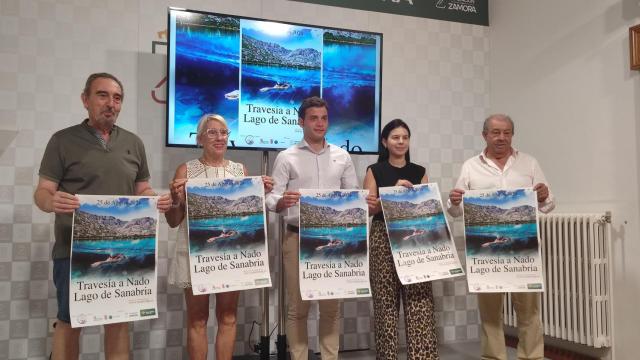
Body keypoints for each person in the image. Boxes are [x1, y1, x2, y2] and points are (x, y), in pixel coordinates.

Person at [33, 72, 172, 360]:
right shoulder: (62, 140)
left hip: (124, 248)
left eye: (117, 98)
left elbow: (141, 188)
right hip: (73, 251)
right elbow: (42, 192)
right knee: (69, 322)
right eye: (102, 95)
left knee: (119, 320)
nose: (111, 103)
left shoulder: (133, 143)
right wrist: (51, 201)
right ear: (85, 100)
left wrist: (154, 200)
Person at [165, 113, 274, 360]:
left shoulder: (240, 170)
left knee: (228, 317)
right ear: (200, 138)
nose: (219, 137)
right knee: (197, 319)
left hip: (230, 255)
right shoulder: (186, 170)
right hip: (196, 255)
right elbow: (173, 221)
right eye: (212, 132)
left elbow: (247, 217)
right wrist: (175, 199)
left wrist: (259, 192)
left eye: (223, 132)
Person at [447, 114, 555, 360]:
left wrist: (543, 196)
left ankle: (532, 357)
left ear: (512, 135)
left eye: (506, 132)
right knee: (490, 313)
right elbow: (457, 211)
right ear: (484, 135)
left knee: (529, 312)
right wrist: (454, 202)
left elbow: (548, 204)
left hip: (524, 252)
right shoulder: (470, 166)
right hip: (486, 255)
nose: (501, 138)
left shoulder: (529, 163)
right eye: (496, 132)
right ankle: (494, 357)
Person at [265, 97, 358, 360]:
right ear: (301, 121)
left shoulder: (342, 156)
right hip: (296, 238)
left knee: (331, 308)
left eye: (324, 118)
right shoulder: (286, 157)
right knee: (298, 308)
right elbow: (270, 197)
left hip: (333, 239)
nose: (320, 123)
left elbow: (352, 196)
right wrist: (280, 202)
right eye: (314, 118)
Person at [363, 119, 439, 359]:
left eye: (405, 137)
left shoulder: (420, 171)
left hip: (415, 241)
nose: (401, 141)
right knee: (386, 304)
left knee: (420, 303)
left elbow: (426, 209)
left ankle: (422, 355)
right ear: (385, 141)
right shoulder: (375, 170)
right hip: (382, 239)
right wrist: (392, 194)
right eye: (395, 137)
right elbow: (368, 210)